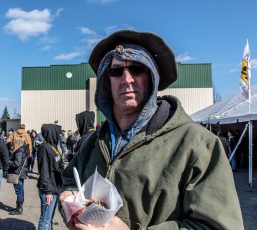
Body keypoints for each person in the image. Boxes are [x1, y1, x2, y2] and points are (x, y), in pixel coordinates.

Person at [59, 30, 243, 229]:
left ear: (152, 78)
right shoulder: (95, 141)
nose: (127, 79)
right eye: (117, 71)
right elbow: (70, 179)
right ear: (107, 81)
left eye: (137, 69)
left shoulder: (198, 145)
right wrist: (70, 203)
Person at [37, 124, 64, 230]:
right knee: (45, 220)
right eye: (58, 134)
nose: (59, 136)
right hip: (49, 189)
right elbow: (44, 171)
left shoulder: (52, 146)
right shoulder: (44, 148)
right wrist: (48, 191)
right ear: (52, 134)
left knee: (49, 219)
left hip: (55, 186)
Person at [8, 144, 29, 215]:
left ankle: (19, 208)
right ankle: (19, 207)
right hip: (21, 172)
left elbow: (17, 163)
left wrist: (9, 162)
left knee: (19, 191)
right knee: (20, 190)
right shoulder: (23, 150)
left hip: (18, 172)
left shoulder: (19, 151)